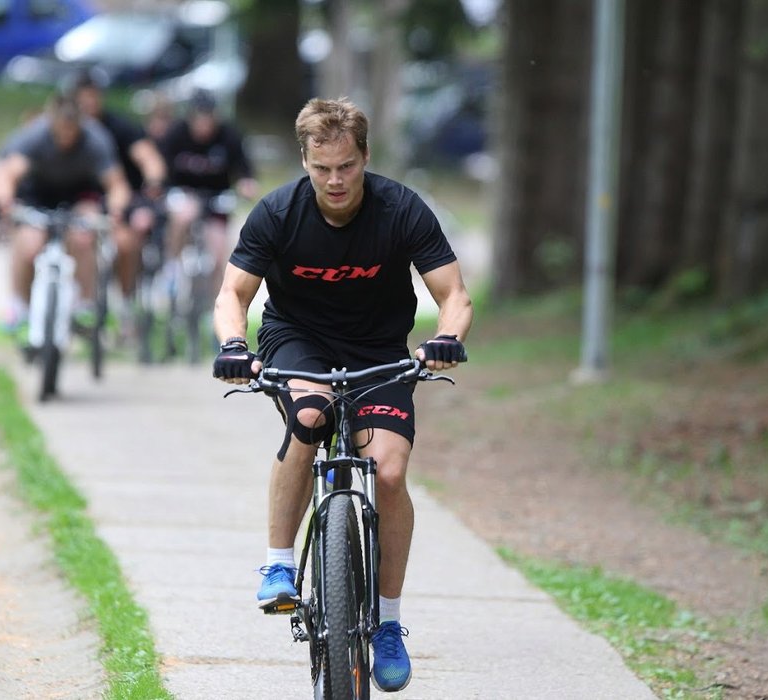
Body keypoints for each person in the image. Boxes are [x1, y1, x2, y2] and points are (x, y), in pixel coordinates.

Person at [212, 97, 473, 693]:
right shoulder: (278, 212)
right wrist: (232, 344)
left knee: (387, 470)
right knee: (310, 414)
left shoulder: (401, 209)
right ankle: (279, 565)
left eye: (348, 167)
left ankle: (386, 625)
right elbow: (233, 293)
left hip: (380, 347)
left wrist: (447, 338)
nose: (335, 180)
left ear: (365, 158)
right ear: (305, 160)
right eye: (323, 167)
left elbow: (454, 292)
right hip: (297, 338)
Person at [0, 92, 131, 336]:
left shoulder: (95, 139)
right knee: (29, 242)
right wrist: (5, 202)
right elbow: (8, 174)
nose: (66, 137)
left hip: (79, 196)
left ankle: (84, 303)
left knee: (84, 236)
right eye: (61, 130)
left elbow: (116, 184)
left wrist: (116, 209)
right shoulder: (35, 136)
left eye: (72, 130)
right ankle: (18, 304)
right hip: (38, 195)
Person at [69, 70, 167, 337]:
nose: (88, 104)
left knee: (126, 244)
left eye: (92, 97)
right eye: (82, 99)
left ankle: (124, 304)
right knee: (80, 238)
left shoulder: (119, 127)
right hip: (83, 200)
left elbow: (148, 157)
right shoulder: (69, 130)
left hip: (121, 200)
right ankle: (84, 303)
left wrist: (154, 180)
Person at [157, 89, 258, 300]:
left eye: (208, 120)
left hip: (217, 197)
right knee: (183, 215)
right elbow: (160, 166)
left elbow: (244, 169)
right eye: (199, 120)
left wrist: (246, 184)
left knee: (219, 251)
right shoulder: (177, 133)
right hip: (184, 194)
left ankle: (215, 306)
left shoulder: (229, 135)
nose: (203, 126)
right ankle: (172, 267)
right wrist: (159, 185)